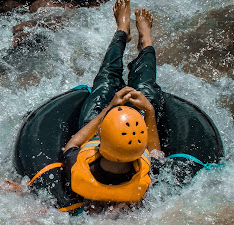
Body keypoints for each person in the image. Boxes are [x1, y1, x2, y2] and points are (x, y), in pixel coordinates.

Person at [62, 0, 165, 206]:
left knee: (106, 81)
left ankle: (122, 32)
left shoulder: (78, 169)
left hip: (100, 126)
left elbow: (72, 145)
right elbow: (155, 152)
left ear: (101, 138)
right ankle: (145, 42)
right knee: (145, 89)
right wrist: (149, 112)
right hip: (123, 132)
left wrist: (109, 108)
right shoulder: (145, 175)